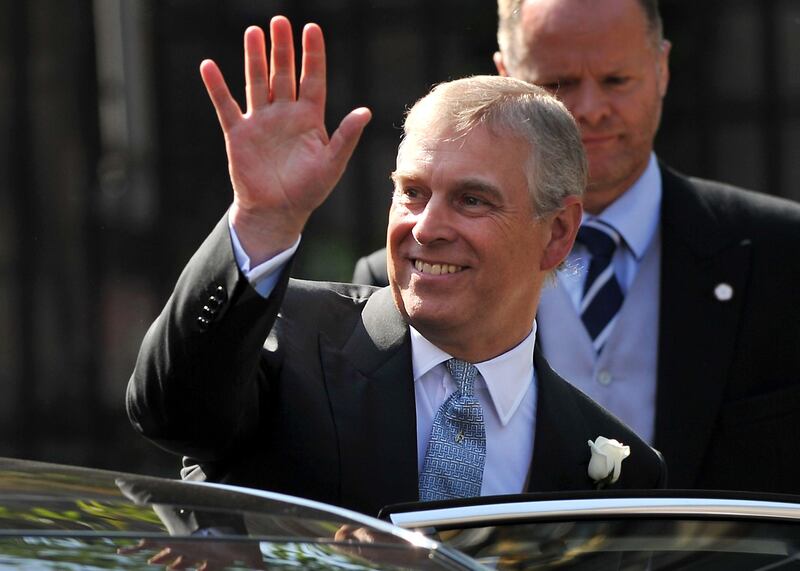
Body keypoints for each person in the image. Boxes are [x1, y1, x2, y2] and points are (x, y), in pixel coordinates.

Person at [127, 15, 665, 517]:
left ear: (557, 233)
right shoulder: (284, 341)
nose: (427, 227)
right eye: (411, 193)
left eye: (472, 200)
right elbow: (171, 413)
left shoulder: (620, 474)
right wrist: (261, 220)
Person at [352, 0, 800, 495]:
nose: (589, 109)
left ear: (662, 69)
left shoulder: (781, 255)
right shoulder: (405, 280)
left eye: (615, 80)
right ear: (506, 76)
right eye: (558, 85)